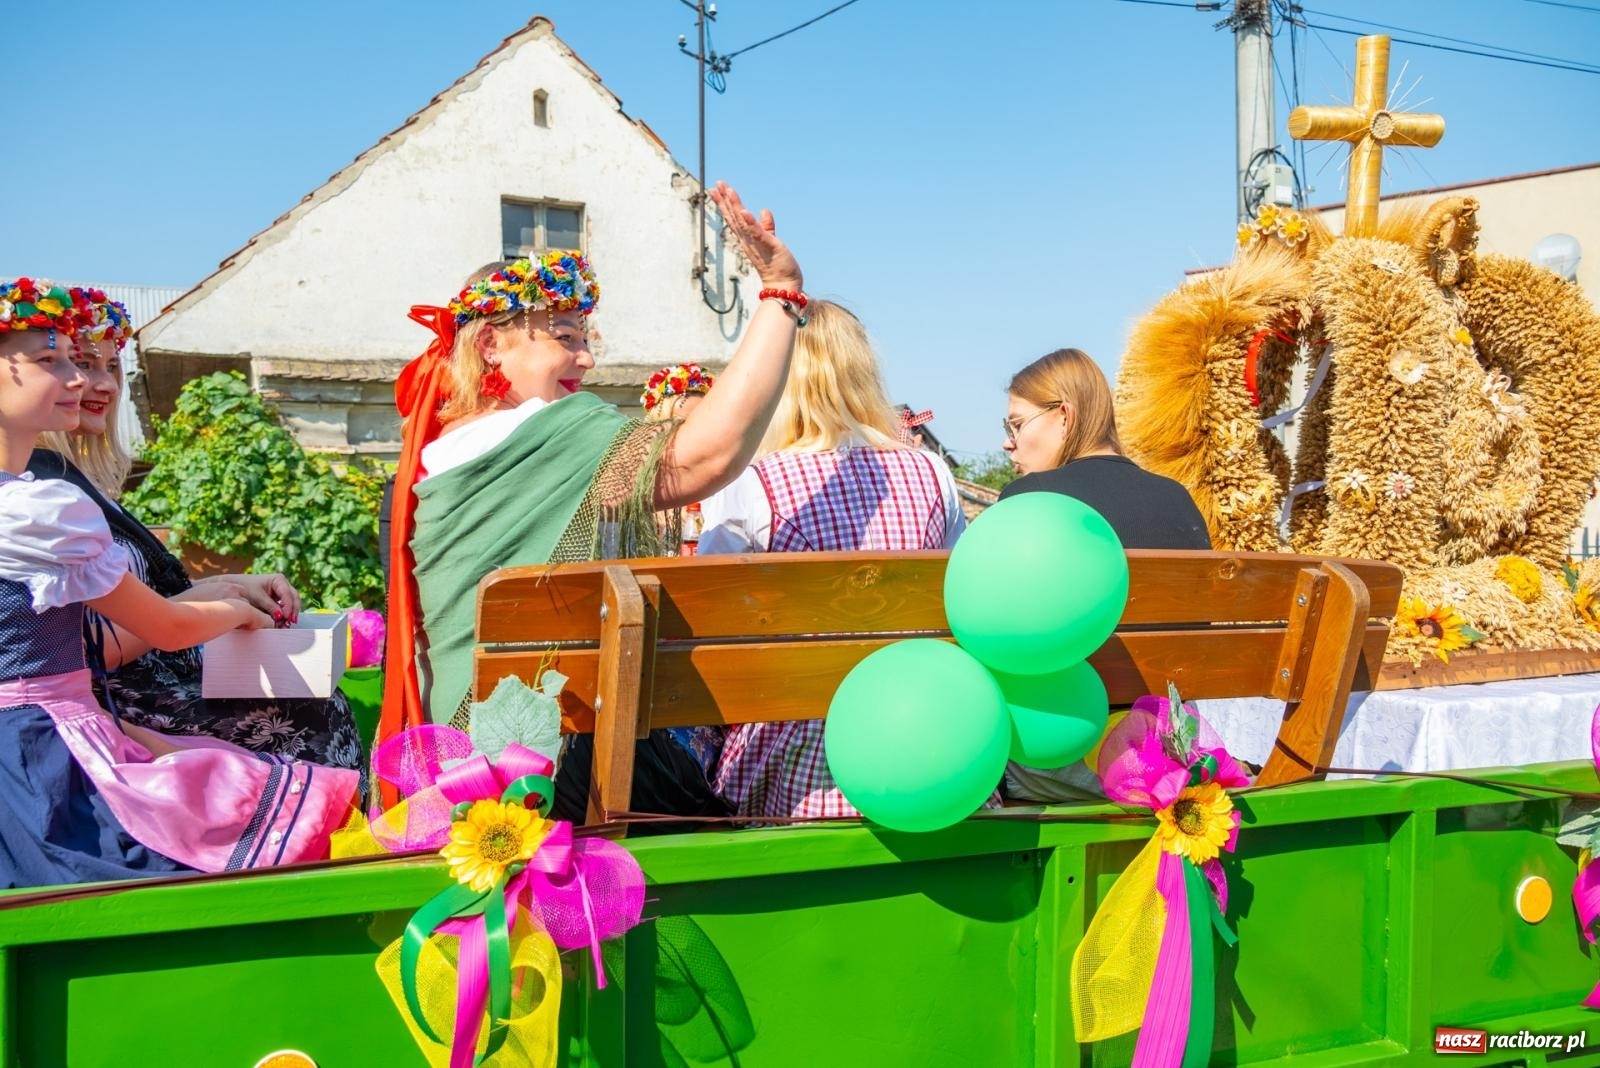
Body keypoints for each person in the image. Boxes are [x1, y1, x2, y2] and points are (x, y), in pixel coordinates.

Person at [383, 182, 808, 822]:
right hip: (543, 771)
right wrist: (780, 294)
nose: (584, 356)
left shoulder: (439, 446)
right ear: (491, 343)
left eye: (586, 337)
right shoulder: (548, 432)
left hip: (464, 759)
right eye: (561, 335)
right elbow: (708, 455)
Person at [0, 278, 358, 889]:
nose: (85, 381)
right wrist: (234, 611)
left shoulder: (47, 498)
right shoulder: (42, 507)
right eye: (57, 362)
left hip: (66, 715)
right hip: (58, 729)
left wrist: (223, 592)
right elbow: (154, 631)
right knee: (302, 732)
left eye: (94, 364)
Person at [701, 299, 967, 820]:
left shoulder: (755, 483)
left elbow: (715, 625)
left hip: (802, 755)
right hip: (931, 738)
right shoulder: (932, 473)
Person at [998, 348, 1211, 550]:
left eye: (1017, 425)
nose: (1008, 443)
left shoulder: (1030, 499)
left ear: (1064, 417)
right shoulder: (1178, 500)